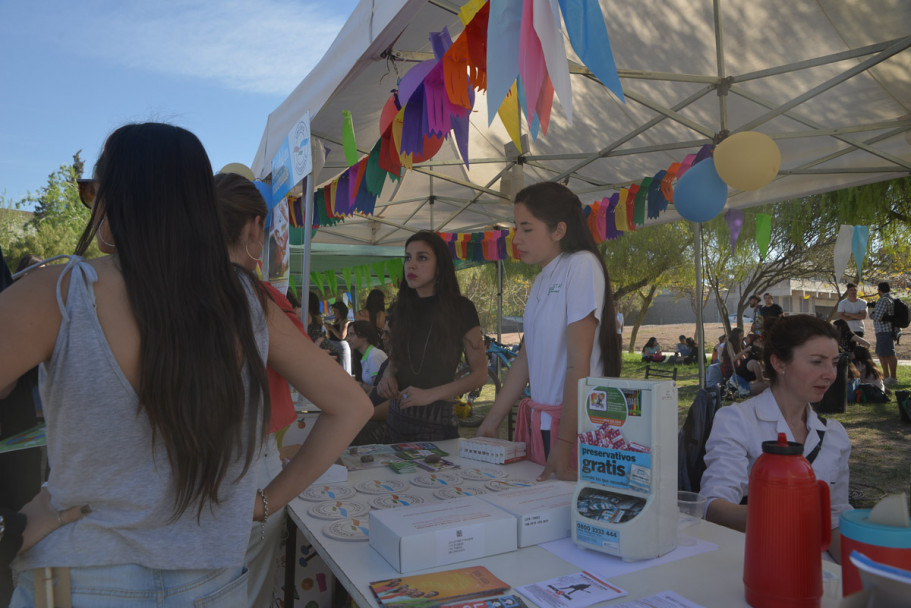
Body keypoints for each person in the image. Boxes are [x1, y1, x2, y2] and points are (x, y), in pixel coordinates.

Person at [0, 123, 372, 606]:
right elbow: (352, 407)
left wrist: (12, 525)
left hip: (80, 577)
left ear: (116, 197)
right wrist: (263, 504)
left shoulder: (58, 293)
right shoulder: (245, 299)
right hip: (213, 582)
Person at [213, 171, 313, 606]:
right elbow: (344, 401)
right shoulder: (261, 301)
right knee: (247, 591)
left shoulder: (166, 299)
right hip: (251, 468)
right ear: (256, 228)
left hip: (188, 474)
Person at [476, 182, 621, 481]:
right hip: (542, 423)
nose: (517, 239)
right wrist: (492, 421)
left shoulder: (581, 265)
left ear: (558, 230)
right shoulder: (542, 279)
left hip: (575, 425)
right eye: (516, 228)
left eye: (527, 229)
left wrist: (565, 441)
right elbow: (524, 361)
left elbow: (578, 362)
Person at [701, 314, 851, 562]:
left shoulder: (834, 435)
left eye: (834, 363)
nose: (830, 374)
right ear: (779, 363)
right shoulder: (738, 421)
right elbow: (713, 506)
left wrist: (867, 571)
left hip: (819, 572)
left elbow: (835, 516)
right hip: (755, 561)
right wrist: (779, 515)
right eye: (817, 362)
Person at [376, 231, 487, 441]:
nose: (412, 264)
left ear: (440, 266)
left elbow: (480, 374)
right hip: (396, 418)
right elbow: (397, 358)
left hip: (436, 424)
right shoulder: (400, 309)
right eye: (408, 258)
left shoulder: (461, 309)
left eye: (422, 258)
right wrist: (387, 376)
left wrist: (430, 394)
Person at [347, 320, 388, 392]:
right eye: (348, 335)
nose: (348, 339)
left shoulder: (374, 355)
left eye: (352, 334)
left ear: (365, 336)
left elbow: (378, 391)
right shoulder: (366, 356)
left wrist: (359, 385)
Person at [870, 282, 898, 386]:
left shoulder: (883, 300)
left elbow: (877, 317)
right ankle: (890, 376)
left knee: (885, 354)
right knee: (886, 353)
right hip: (889, 329)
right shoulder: (891, 299)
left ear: (879, 290)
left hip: (883, 330)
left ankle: (890, 377)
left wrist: (872, 313)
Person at [325, 299, 353, 374]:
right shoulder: (336, 321)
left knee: (344, 369)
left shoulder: (345, 322)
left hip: (341, 347)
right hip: (334, 346)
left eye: (336, 311)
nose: (334, 313)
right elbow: (330, 336)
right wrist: (328, 329)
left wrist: (332, 328)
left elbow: (342, 336)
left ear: (341, 311)